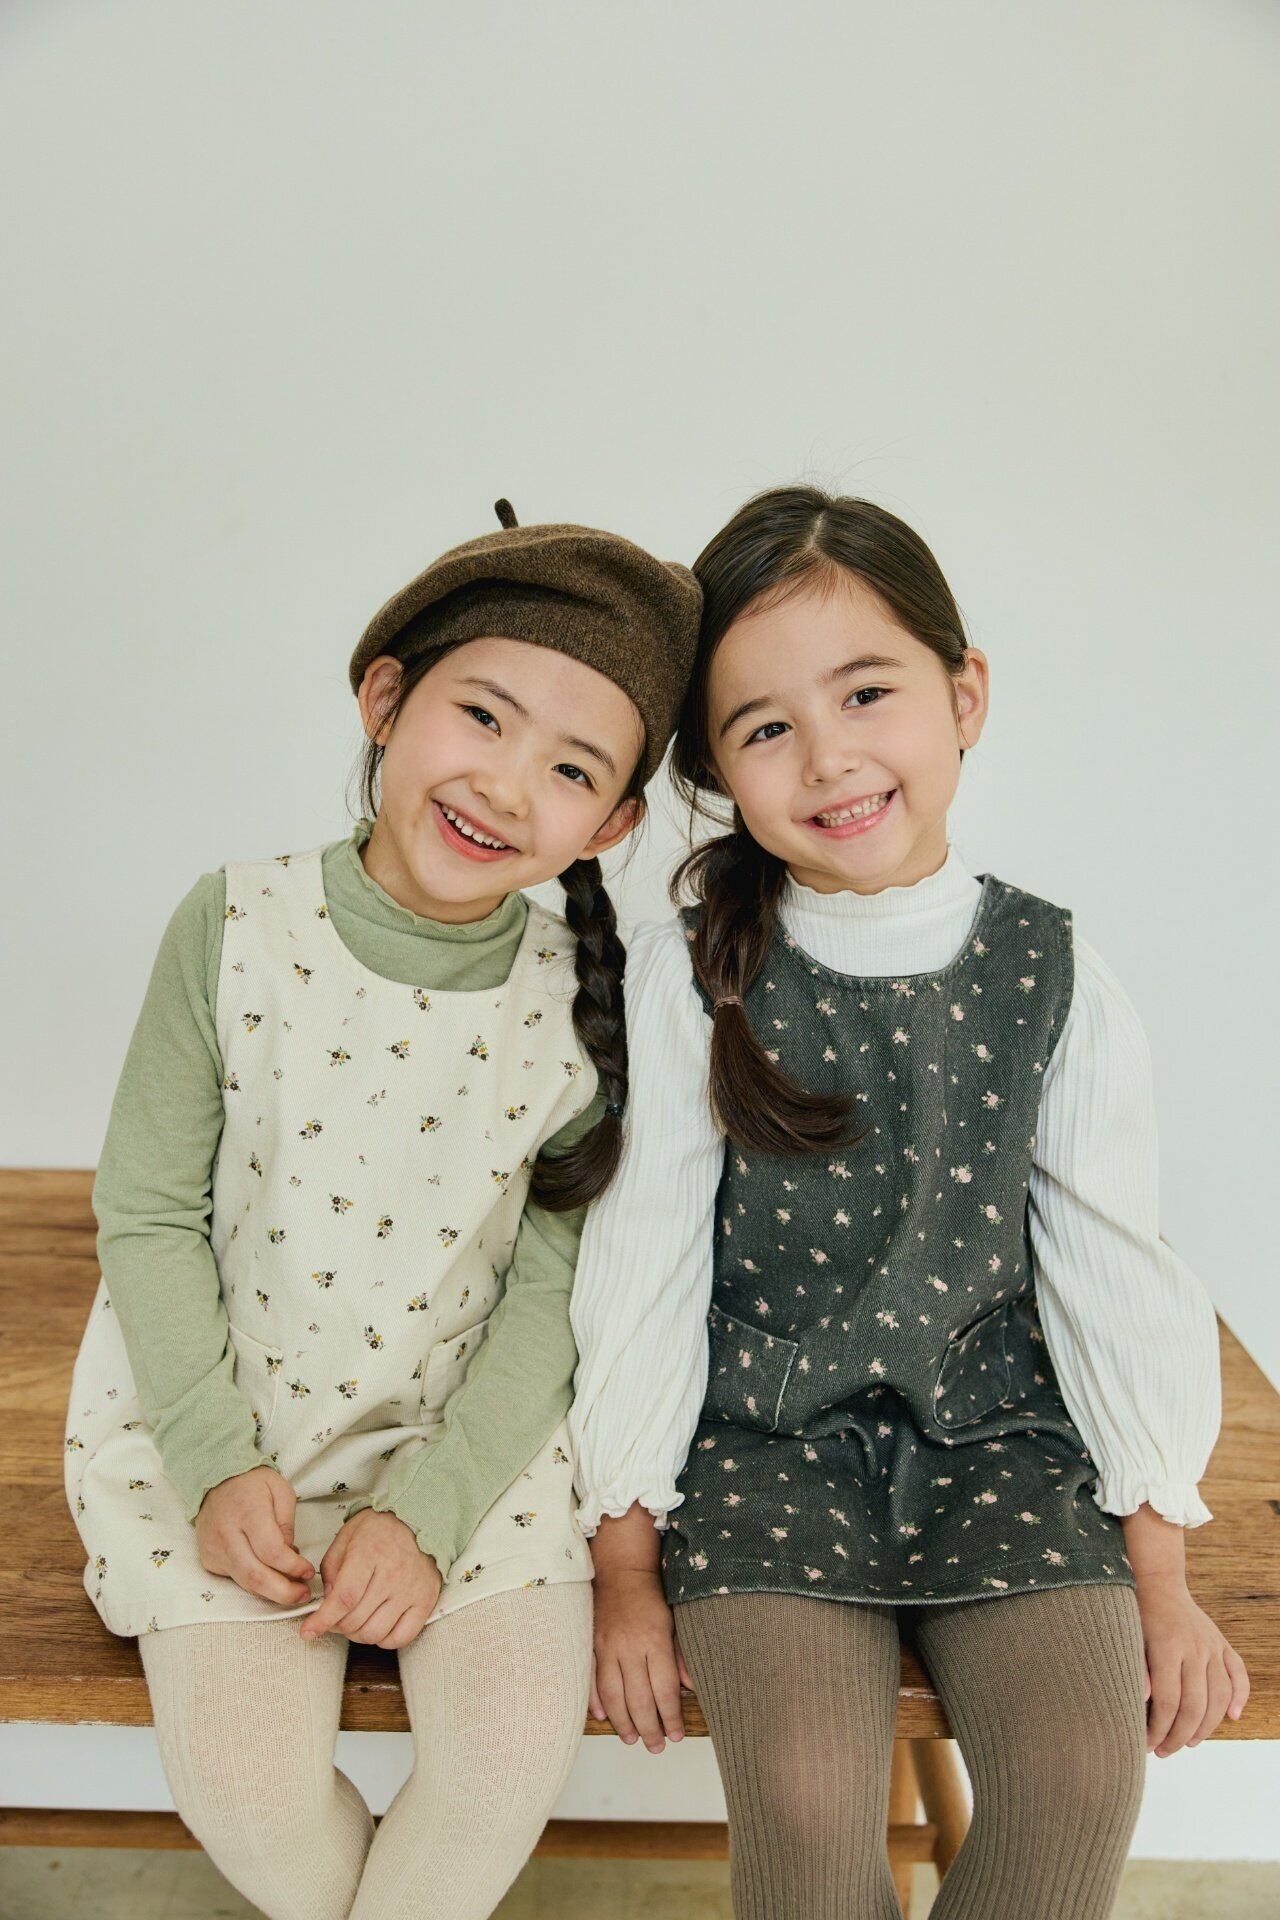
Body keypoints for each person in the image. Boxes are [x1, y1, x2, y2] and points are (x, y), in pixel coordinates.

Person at [567, 485, 1249, 1920]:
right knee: (805, 1803)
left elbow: (1111, 1265)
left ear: (964, 694)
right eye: (765, 728)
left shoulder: (1051, 968)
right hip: (764, 1447)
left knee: (1079, 1782)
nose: (829, 756)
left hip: (1003, 1437)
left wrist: (1161, 1572)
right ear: (718, 771)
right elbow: (644, 1261)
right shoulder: (697, 972)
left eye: (866, 692)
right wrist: (625, 1561)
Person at [63, 498, 700, 1920]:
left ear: (612, 823)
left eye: (571, 769)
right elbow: (148, 1211)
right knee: (247, 1786)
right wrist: (215, 1462)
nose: (506, 785)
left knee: (502, 1764)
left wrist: (431, 1510)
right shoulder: (234, 925)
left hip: (472, 1445)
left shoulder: (585, 1005)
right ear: (386, 699)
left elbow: (552, 1290)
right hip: (225, 1424)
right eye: (481, 716)